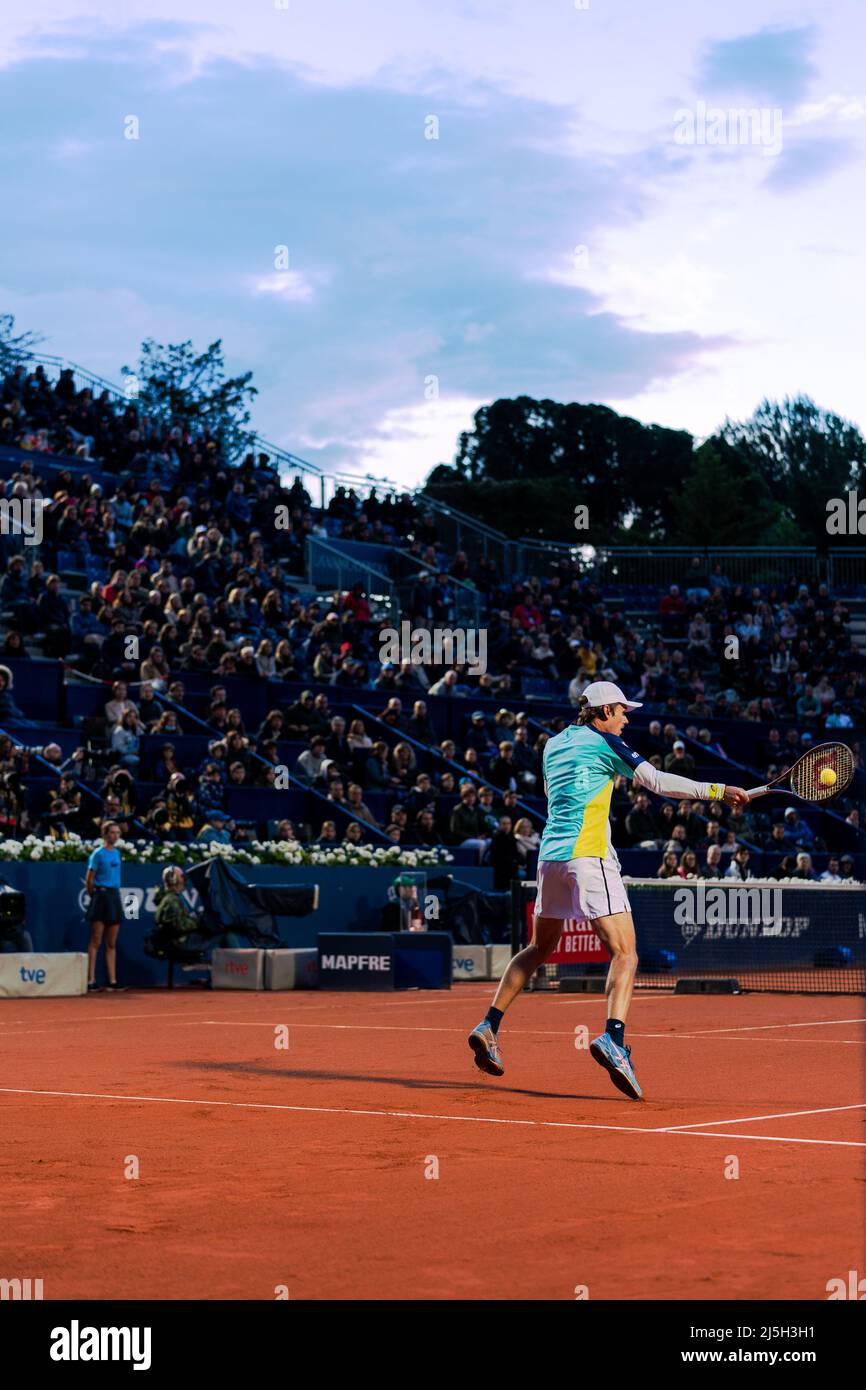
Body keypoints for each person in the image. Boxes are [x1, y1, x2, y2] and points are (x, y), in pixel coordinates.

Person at [468, 681, 748, 1101]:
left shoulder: (553, 744)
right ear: (601, 713)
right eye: (621, 711)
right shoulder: (605, 743)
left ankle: (489, 1024)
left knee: (539, 947)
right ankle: (614, 1038)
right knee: (626, 952)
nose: (626, 718)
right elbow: (656, 781)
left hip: (551, 856)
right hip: (589, 855)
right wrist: (717, 791)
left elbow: (553, 794)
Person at [84, 820, 126, 992]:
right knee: (95, 941)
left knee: (111, 943)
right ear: (105, 834)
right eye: (112, 833)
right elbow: (89, 879)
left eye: (118, 833)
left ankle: (112, 981)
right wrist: (95, 895)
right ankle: (91, 980)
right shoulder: (97, 854)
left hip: (114, 896)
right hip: (101, 896)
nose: (115, 836)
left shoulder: (117, 853)